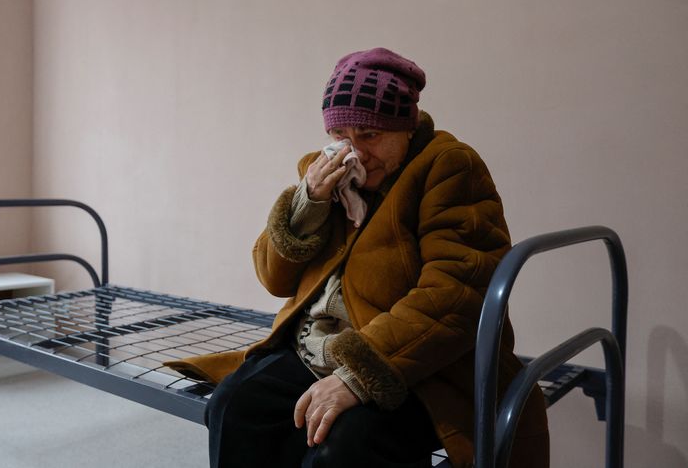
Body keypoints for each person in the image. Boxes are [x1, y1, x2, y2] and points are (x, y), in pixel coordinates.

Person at [165, 47, 549, 468]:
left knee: (341, 449)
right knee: (234, 405)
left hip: (419, 365)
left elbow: (457, 294)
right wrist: (307, 203)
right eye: (340, 137)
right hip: (319, 349)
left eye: (370, 135)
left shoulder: (449, 166)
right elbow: (274, 280)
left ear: (405, 127)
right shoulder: (328, 174)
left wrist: (357, 375)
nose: (356, 154)